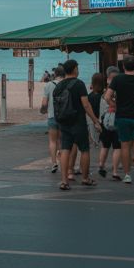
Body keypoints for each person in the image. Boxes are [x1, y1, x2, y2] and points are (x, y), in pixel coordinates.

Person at [54, 60, 101, 190]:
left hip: (64, 122)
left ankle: (64, 180)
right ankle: (85, 178)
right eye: (77, 67)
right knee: (84, 149)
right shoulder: (79, 84)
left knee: (65, 150)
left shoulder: (58, 86)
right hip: (78, 122)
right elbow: (86, 104)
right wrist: (95, 120)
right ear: (75, 69)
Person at [105, 55, 134, 184]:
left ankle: (127, 174)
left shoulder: (117, 79)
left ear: (123, 66)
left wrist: (114, 104)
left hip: (122, 116)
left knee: (125, 146)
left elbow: (107, 96)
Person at [97, 66, 121, 180]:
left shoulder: (104, 91)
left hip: (105, 121)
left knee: (105, 145)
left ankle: (101, 165)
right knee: (117, 147)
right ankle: (115, 171)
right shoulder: (118, 91)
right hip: (117, 120)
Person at [40, 66, 64, 173]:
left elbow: (44, 103)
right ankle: (63, 161)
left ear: (54, 74)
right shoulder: (67, 84)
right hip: (65, 117)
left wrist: (43, 110)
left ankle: (54, 163)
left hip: (52, 116)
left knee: (53, 141)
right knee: (63, 141)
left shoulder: (48, 85)